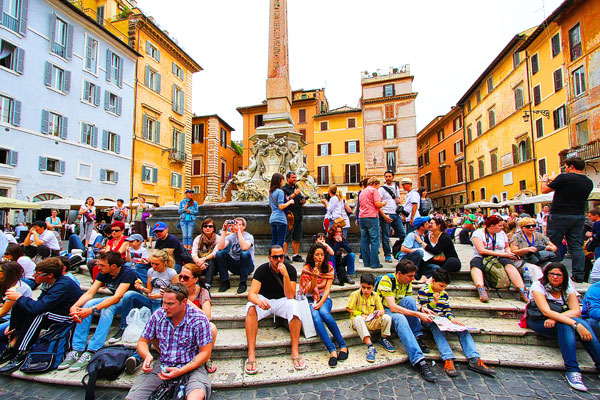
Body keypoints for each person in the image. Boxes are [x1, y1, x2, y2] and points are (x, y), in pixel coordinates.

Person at [125, 286, 213, 400]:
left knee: (196, 396)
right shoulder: (158, 315)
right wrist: (146, 355)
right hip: (163, 365)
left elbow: (205, 353)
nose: (165, 307)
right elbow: (143, 341)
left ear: (184, 302)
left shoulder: (199, 319)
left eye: (170, 304)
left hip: (192, 367)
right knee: (133, 397)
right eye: (164, 302)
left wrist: (181, 370)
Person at [59, 251, 138, 372]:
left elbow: (116, 297)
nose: (98, 267)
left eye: (102, 265)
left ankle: (93, 349)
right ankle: (77, 348)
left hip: (129, 303)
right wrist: (74, 307)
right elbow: (90, 293)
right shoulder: (103, 272)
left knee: (106, 308)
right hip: (115, 299)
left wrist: (92, 310)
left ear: (113, 266)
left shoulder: (128, 273)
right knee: (87, 304)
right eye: (98, 264)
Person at [526, 262, 600, 392]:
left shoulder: (567, 288)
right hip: (538, 320)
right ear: (546, 275)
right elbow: (546, 311)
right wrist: (574, 324)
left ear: (564, 276)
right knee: (569, 324)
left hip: (555, 319)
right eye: (552, 274)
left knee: (574, 323)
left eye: (559, 275)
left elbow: (576, 310)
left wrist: (558, 318)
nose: (555, 277)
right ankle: (572, 370)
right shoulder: (538, 286)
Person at [0, 258, 81, 372]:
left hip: (68, 318)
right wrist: (13, 325)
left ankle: (23, 350)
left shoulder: (63, 285)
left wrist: (19, 297)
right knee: (21, 304)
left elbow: (39, 308)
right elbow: (37, 303)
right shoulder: (48, 283)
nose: (34, 276)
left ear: (49, 275)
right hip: (53, 313)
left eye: (38, 274)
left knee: (39, 314)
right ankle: (13, 341)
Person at [418, 269, 495, 377]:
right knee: (437, 329)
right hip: (429, 319)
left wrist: (451, 318)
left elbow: (446, 309)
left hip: (443, 318)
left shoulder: (444, 294)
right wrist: (434, 302)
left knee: (463, 330)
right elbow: (424, 309)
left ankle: (474, 359)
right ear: (433, 281)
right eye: (441, 286)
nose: (443, 289)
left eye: (445, 286)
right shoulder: (424, 291)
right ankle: (448, 358)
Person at [244, 245, 303, 374]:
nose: (279, 260)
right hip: (265, 300)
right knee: (251, 308)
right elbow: (251, 294)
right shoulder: (262, 270)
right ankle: (251, 354)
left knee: (294, 305)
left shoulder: (290, 269)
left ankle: (295, 351)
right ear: (269, 258)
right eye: (275, 257)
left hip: (282, 300)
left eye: (281, 256)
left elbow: (290, 295)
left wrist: (286, 275)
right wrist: (259, 301)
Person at [376, 260, 436, 382]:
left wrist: (422, 309)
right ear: (399, 274)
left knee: (410, 300)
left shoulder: (407, 282)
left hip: (396, 307)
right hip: (384, 310)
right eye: (410, 276)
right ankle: (419, 360)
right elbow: (392, 307)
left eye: (413, 276)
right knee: (400, 318)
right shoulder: (387, 280)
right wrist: (418, 315)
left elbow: (407, 302)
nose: (413, 279)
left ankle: (417, 337)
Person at [542, 157, 593, 283]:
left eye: (566, 166)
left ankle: (551, 273)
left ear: (571, 166)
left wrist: (544, 180)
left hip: (560, 214)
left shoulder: (564, 177)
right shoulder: (588, 182)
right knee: (576, 246)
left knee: (553, 244)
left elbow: (544, 190)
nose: (565, 169)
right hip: (578, 216)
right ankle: (578, 276)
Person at [299, 243, 348, 368]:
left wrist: (320, 302)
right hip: (310, 299)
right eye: (317, 255)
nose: (319, 257)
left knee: (324, 313)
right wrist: (314, 277)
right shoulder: (306, 269)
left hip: (324, 299)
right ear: (312, 256)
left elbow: (327, 290)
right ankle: (332, 350)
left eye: (321, 254)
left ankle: (342, 345)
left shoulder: (329, 269)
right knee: (316, 316)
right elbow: (307, 290)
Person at [115, 250, 179, 344]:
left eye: (157, 264)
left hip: (163, 302)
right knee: (129, 295)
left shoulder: (171, 273)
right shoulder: (151, 271)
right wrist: (141, 288)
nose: (153, 266)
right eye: (152, 263)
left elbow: (177, 292)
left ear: (165, 263)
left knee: (154, 321)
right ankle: (123, 327)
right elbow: (149, 290)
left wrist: (161, 295)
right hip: (151, 299)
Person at [469, 215, 526, 303]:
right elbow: (481, 250)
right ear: (492, 226)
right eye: (500, 225)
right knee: (475, 264)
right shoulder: (478, 233)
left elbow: (506, 246)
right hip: (482, 256)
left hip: (500, 256)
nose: (502, 227)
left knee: (509, 265)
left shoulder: (502, 234)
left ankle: (522, 290)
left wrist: (509, 253)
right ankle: (481, 289)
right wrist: (503, 254)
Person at [346, 273, 394, 363]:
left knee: (387, 317)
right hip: (359, 321)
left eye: (369, 288)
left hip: (371, 320)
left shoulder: (375, 295)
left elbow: (382, 310)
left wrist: (378, 313)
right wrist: (360, 314)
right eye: (363, 287)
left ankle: (383, 338)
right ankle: (370, 346)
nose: (366, 290)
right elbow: (349, 308)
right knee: (358, 318)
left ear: (373, 286)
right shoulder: (355, 294)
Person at [510, 217, 558, 283]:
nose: (531, 228)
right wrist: (526, 250)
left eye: (533, 226)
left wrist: (551, 248)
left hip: (540, 260)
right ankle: (539, 288)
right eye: (528, 226)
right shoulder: (517, 237)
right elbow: (513, 251)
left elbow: (554, 246)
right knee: (534, 269)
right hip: (523, 261)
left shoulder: (539, 235)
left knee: (555, 268)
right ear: (522, 228)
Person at [0, 262, 33, 357]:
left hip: (15, 319)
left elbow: (3, 312)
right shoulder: (5, 284)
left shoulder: (17, 288)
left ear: (8, 273)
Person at [215, 217, 255, 294]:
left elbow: (244, 247)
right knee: (220, 253)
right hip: (236, 266)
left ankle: (243, 283)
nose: (237, 226)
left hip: (248, 267)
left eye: (239, 225)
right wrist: (224, 231)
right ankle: (225, 281)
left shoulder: (249, 236)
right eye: (235, 224)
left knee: (245, 253)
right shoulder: (231, 236)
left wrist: (239, 232)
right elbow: (220, 247)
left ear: (244, 227)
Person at [378, 170, 406, 263]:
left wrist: (399, 205)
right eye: (386, 176)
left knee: (403, 234)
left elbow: (398, 200)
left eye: (390, 176)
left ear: (393, 177)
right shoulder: (381, 189)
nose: (388, 178)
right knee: (386, 236)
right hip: (386, 213)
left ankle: (401, 252)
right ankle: (387, 254)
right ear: (384, 178)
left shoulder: (396, 187)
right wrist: (384, 216)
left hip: (395, 214)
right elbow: (378, 203)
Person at [358, 177, 386, 269]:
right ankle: (374, 263)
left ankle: (366, 262)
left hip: (362, 217)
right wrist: (383, 203)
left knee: (364, 240)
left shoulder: (362, 192)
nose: (378, 187)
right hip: (372, 217)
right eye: (378, 185)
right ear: (375, 183)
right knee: (375, 241)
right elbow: (377, 204)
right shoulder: (374, 191)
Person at [396, 216, 434, 283]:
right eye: (426, 224)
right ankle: (415, 276)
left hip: (418, 260)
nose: (429, 225)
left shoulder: (422, 236)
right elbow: (403, 249)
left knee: (435, 267)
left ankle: (422, 276)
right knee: (419, 253)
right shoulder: (411, 235)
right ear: (421, 227)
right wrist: (416, 251)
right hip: (406, 260)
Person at [282, 171, 306, 263]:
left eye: (295, 178)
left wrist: (303, 201)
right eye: (293, 177)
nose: (295, 179)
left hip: (298, 215)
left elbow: (299, 199)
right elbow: (284, 200)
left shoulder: (297, 188)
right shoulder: (284, 189)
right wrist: (295, 194)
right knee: (287, 236)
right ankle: (284, 255)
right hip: (289, 216)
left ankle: (295, 255)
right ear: (288, 178)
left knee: (297, 236)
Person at [269, 173, 294, 248]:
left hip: (273, 218)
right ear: (279, 181)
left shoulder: (271, 192)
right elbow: (280, 206)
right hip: (280, 219)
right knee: (280, 241)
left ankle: (272, 256)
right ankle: (278, 257)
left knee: (274, 240)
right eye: (282, 180)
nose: (283, 182)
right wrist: (289, 202)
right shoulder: (280, 192)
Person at [191, 218, 218, 289]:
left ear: (214, 228)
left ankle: (207, 284)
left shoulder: (218, 238)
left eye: (210, 226)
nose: (207, 228)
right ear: (202, 228)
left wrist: (203, 259)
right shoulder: (198, 238)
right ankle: (195, 284)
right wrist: (198, 262)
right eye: (205, 226)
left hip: (213, 266)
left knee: (211, 261)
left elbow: (215, 253)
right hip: (200, 264)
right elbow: (194, 253)